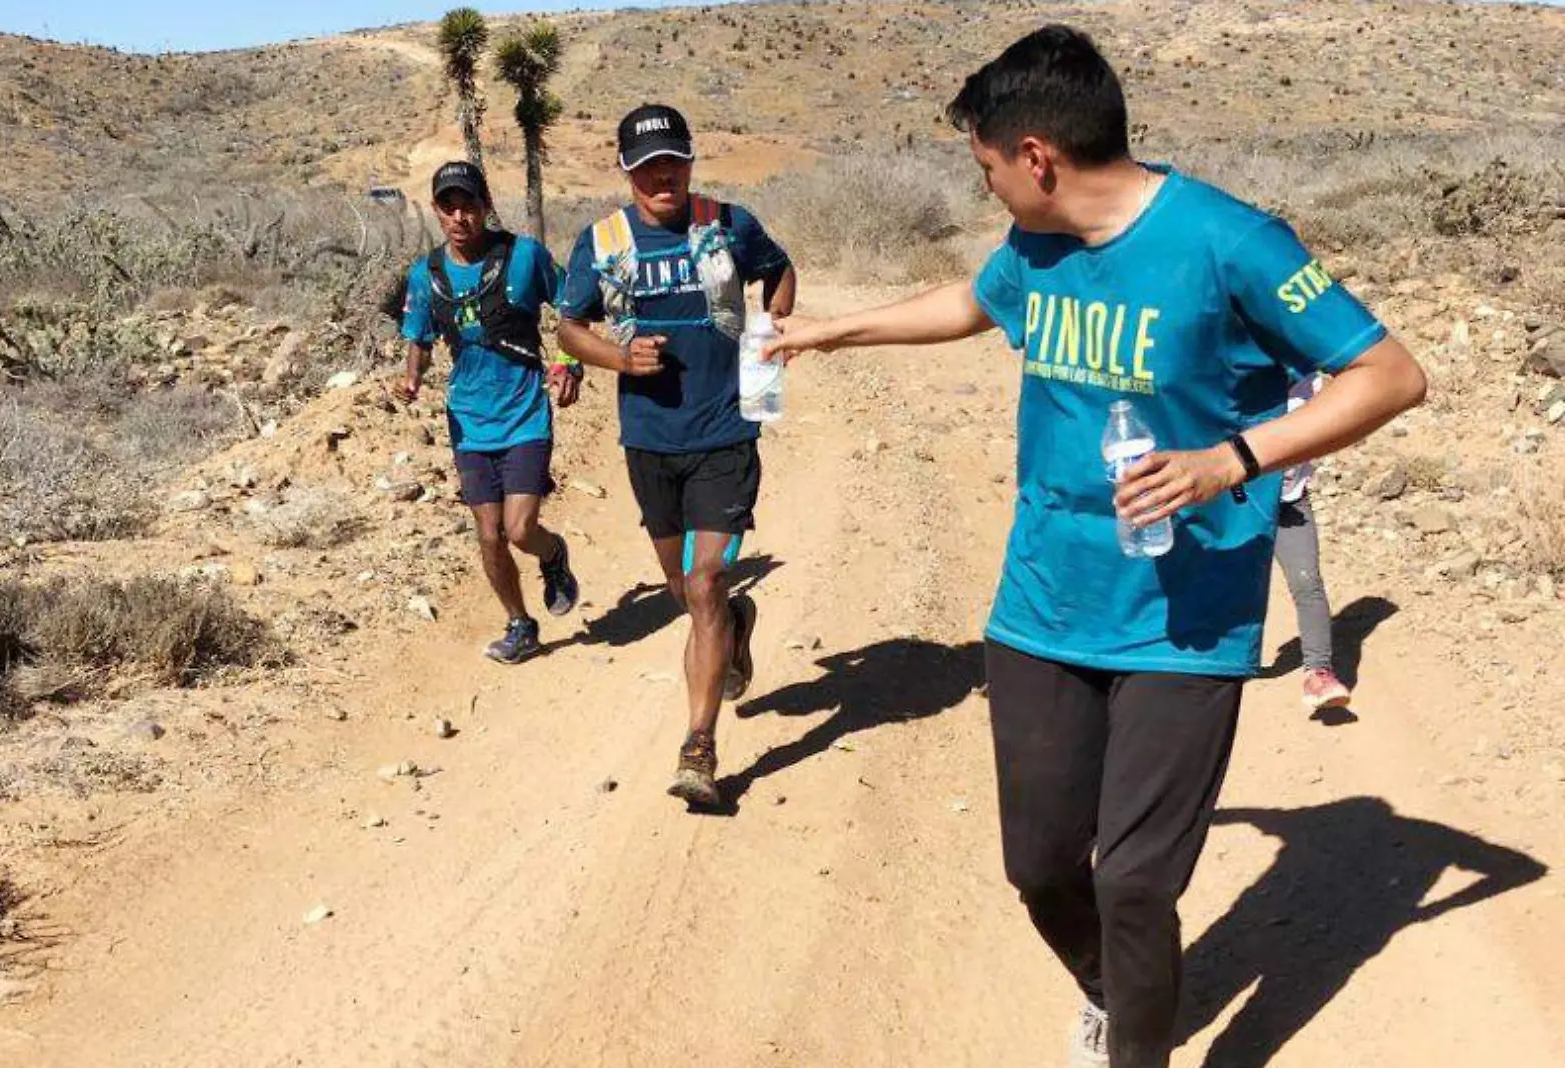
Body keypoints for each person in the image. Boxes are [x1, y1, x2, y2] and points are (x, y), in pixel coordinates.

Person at [768, 26, 1425, 1068]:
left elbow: (1388, 375)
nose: (983, 187)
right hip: (1041, 603)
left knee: (1133, 882)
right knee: (1038, 866)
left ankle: (1140, 1048)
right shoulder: (1034, 245)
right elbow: (975, 302)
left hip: (1186, 617)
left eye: (982, 165)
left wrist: (1233, 459)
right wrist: (830, 334)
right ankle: (1115, 991)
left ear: (1035, 157)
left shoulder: (1229, 241)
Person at [556, 104, 797, 807]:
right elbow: (570, 327)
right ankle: (733, 628)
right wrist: (617, 358)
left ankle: (700, 746)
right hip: (650, 440)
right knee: (683, 593)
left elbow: (778, 271)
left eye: (674, 161)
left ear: (690, 161)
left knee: (705, 583)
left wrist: (772, 325)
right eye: (646, 166)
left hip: (726, 429)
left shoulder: (729, 223)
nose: (662, 175)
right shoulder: (600, 242)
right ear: (627, 172)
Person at [395, 160, 582, 664]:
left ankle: (552, 554)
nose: (461, 217)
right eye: (449, 207)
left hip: (524, 412)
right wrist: (412, 376)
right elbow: (418, 335)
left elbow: (572, 305)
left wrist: (567, 362)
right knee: (489, 535)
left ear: (485, 206)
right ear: (437, 211)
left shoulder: (524, 257)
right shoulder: (426, 274)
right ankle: (520, 624)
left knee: (520, 529)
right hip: (469, 419)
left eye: (469, 205)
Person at [1275, 372, 1353, 710]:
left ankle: (1319, 674)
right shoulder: (1234, 375)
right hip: (1237, 505)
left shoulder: (1313, 385)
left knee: (1307, 582)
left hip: (1290, 503)